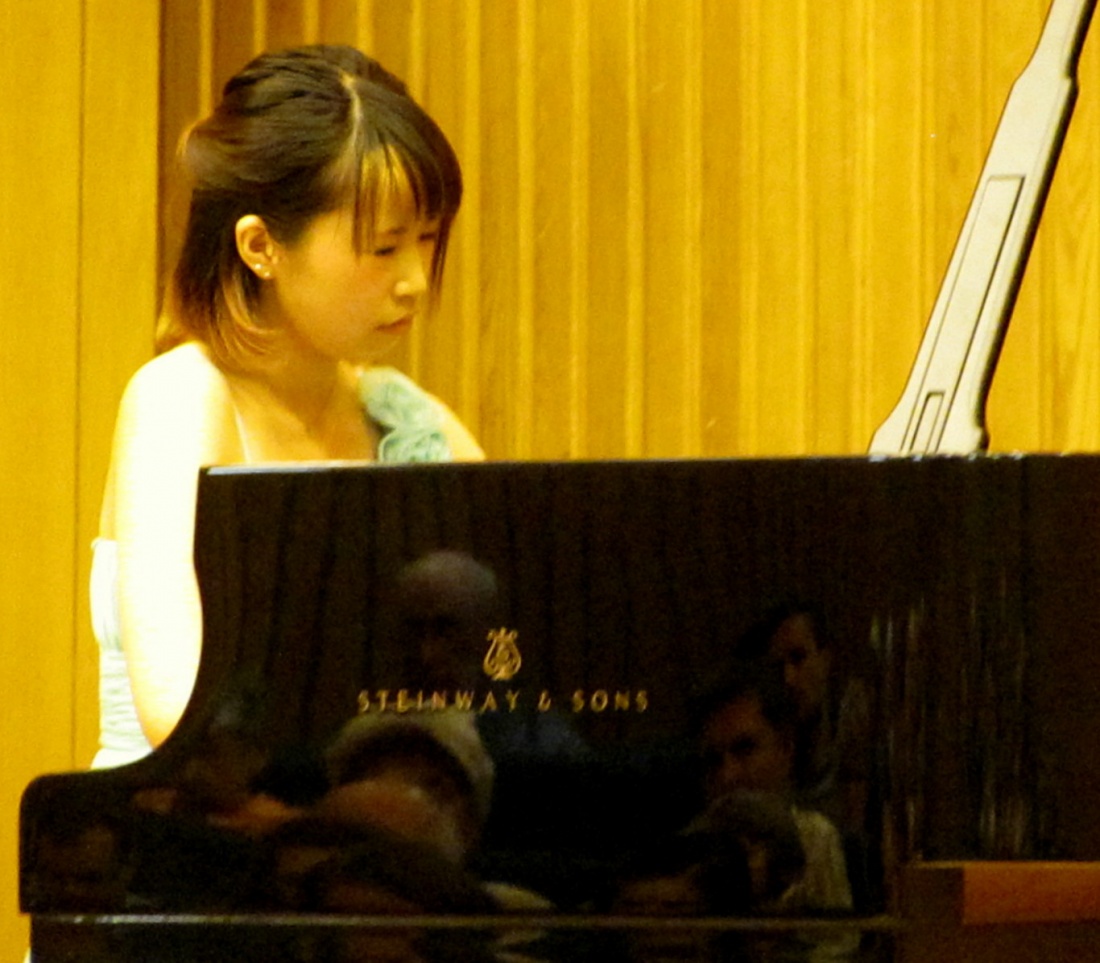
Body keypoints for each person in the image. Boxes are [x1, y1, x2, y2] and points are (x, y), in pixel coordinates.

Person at [91, 45, 482, 770]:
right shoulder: (181, 398)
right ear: (260, 245)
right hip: (181, 821)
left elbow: (508, 669)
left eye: (427, 240)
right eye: (384, 247)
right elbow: (177, 710)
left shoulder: (410, 420)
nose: (416, 281)